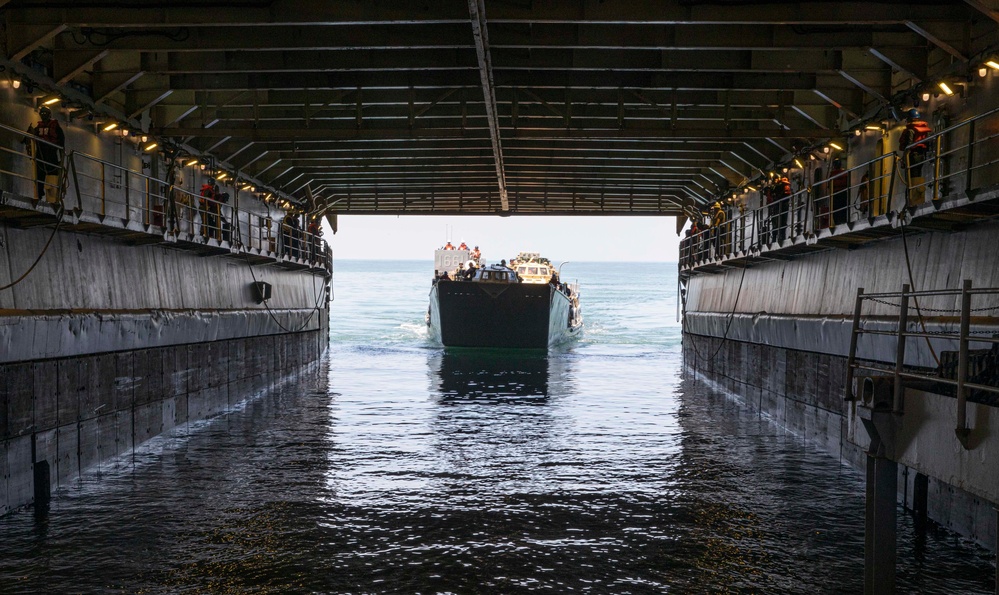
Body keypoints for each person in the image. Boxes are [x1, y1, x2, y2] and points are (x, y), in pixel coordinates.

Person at [23, 106, 65, 203]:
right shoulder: (39, 127)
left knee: (52, 177)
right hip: (40, 154)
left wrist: (62, 160)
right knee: (39, 175)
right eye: (42, 113)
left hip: (51, 154)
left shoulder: (56, 127)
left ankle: (53, 199)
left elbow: (61, 143)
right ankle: (39, 196)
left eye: (45, 113)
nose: (43, 115)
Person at [899, 108, 932, 205]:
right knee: (918, 176)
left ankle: (911, 200)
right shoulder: (922, 130)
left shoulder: (910, 130)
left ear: (909, 119)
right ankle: (918, 198)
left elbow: (908, 146)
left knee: (910, 178)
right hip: (921, 156)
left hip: (912, 156)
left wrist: (904, 159)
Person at [829, 159, 849, 227]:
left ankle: (837, 222)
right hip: (843, 193)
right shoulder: (845, 173)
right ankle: (843, 220)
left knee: (836, 210)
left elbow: (829, 186)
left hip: (835, 194)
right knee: (843, 209)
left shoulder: (832, 175)